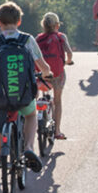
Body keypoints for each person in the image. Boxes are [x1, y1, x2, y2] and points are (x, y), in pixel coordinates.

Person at [0, 1, 53, 173]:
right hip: (24, 95)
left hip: (3, 97)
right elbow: (43, 66)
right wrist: (47, 73)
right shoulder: (27, 40)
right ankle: (28, 147)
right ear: (19, 21)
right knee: (31, 114)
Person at [36, 12, 74, 140]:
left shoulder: (38, 38)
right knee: (57, 101)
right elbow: (69, 52)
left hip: (41, 75)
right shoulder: (61, 37)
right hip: (57, 73)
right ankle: (57, 131)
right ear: (57, 25)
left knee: (39, 93)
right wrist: (68, 61)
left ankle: (37, 120)